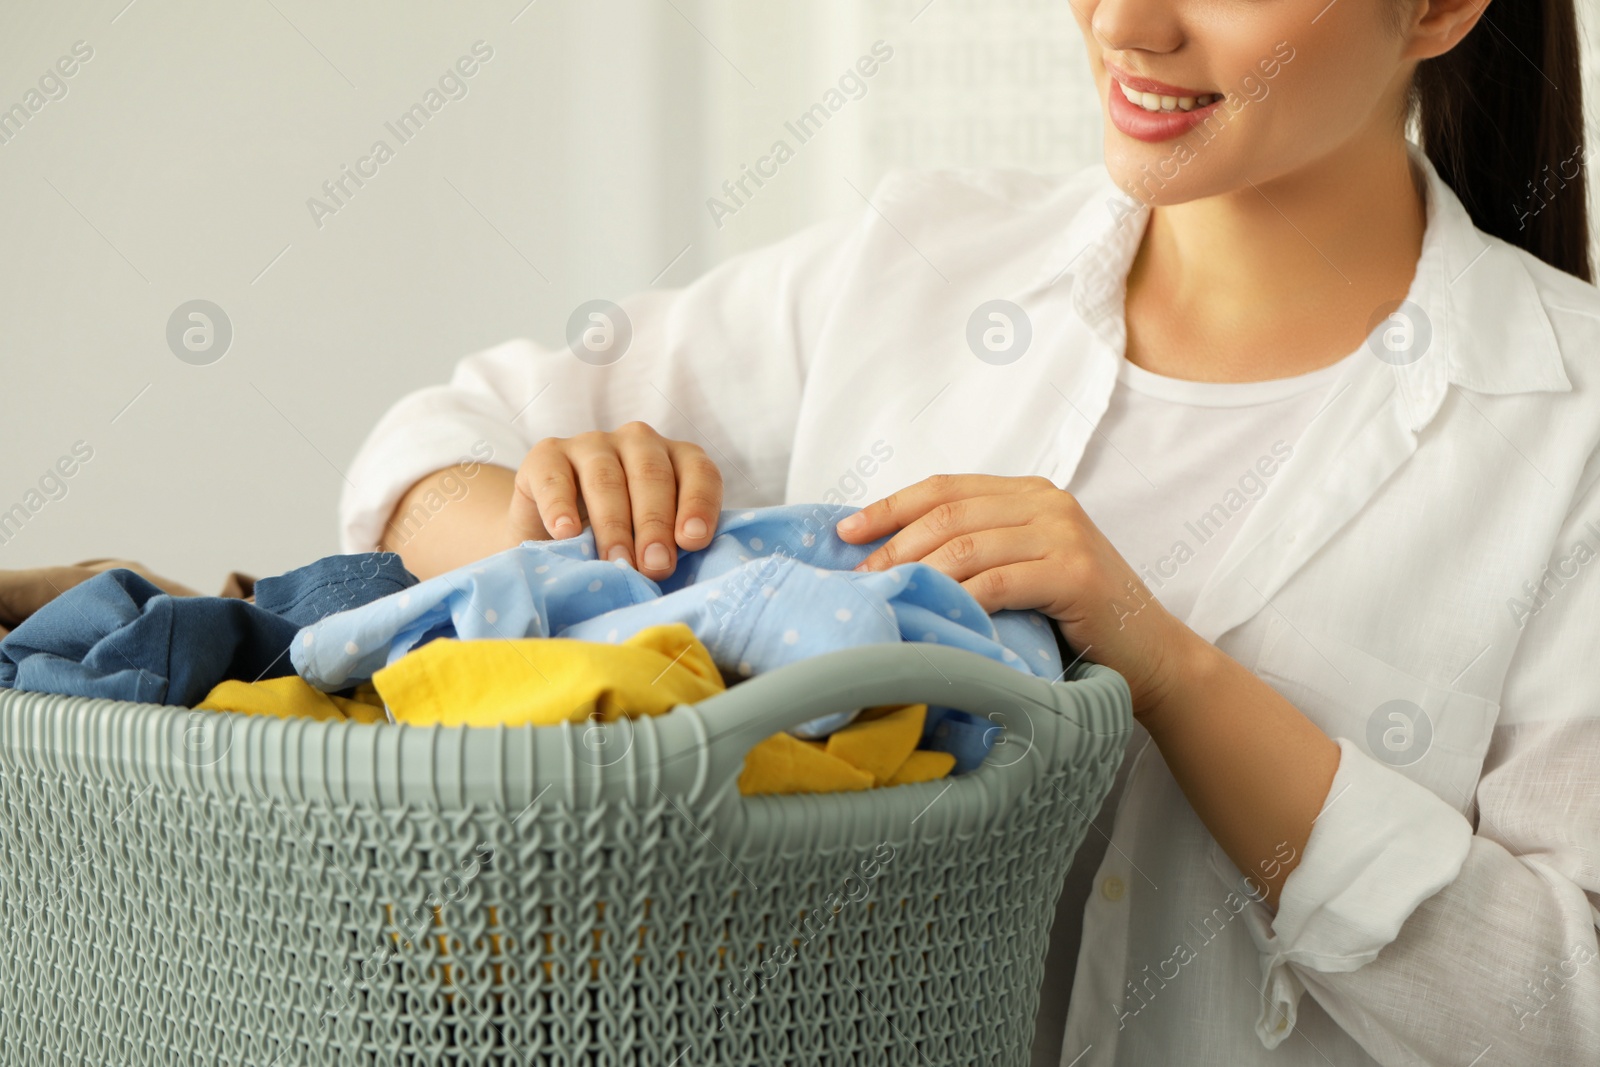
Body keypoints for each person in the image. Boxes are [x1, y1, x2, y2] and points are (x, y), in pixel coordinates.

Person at [338, 0, 1599, 1062]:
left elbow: (1559, 1004)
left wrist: (1164, 666)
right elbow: (423, 452)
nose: (1123, 23)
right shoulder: (917, 264)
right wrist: (562, 524)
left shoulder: (1567, 427)